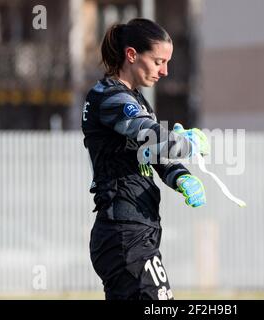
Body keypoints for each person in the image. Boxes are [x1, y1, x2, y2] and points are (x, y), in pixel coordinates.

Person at [81, 18, 210, 300]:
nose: (165, 71)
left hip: (136, 231)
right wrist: (185, 143)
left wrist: (181, 176)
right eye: (158, 61)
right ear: (131, 55)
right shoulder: (110, 98)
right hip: (124, 234)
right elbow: (149, 135)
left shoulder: (135, 100)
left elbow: (151, 153)